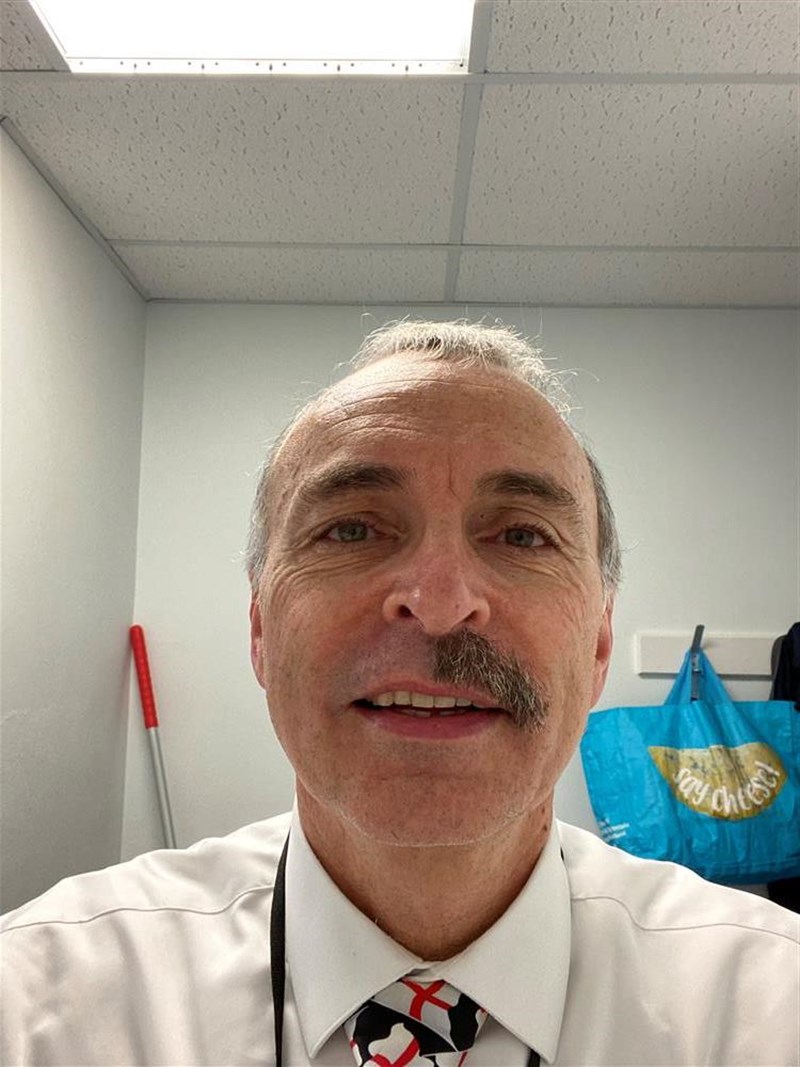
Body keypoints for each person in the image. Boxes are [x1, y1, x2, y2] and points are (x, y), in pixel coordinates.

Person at [2, 320, 798, 1066]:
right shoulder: (42, 1005)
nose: (441, 602)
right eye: (352, 528)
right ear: (261, 629)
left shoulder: (769, 1007)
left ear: (597, 643)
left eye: (522, 534)